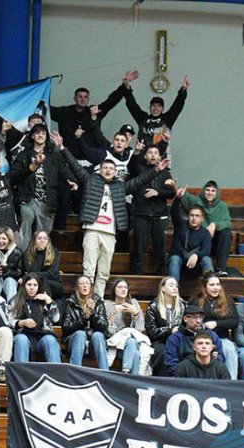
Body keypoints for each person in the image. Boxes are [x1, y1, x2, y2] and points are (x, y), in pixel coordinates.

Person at [53, 131, 170, 298]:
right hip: (92, 230)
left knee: (103, 273)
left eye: (111, 169)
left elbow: (139, 181)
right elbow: (75, 166)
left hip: (110, 233)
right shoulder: (90, 180)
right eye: (105, 168)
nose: (108, 171)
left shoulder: (120, 187)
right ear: (100, 170)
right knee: (89, 270)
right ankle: (85, 302)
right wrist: (62, 147)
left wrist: (157, 169)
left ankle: (97, 303)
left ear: (115, 172)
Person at [50, 73, 133, 228]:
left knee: (85, 196)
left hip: (89, 164)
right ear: (74, 98)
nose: (82, 99)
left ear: (88, 99)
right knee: (64, 195)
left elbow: (111, 101)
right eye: (80, 96)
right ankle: (60, 230)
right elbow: (45, 108)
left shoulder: (93, 111)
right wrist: (43, 88)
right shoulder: (63, 112)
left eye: (85, 97)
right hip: (68, 163)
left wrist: (125, 86)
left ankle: (83, 229)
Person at [8, 123, 73, 249]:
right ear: (32, 136)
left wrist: (72, 180)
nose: (40, 135)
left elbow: (64, 170)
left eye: (43, 133)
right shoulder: (23, 155)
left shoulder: (54, 155)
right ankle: (23, 255)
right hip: (28, 198)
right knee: (27, 217)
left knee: (43, 235)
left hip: (47, 201)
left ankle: (41, 260)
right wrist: (31, 167)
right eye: (37, 133)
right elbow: (12, 177)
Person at [129, 144, 176, 275]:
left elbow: (171, 193)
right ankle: (136, 277)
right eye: (150, 152)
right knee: (139, 249)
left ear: (160, 156)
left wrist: (158, 192)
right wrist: (136, 152)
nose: (153, 155)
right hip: (141, 214)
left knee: (160, 249)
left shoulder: (166, 172)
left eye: (156, 152)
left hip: (160, 215)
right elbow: (130, 168)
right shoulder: (139, 169)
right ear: (145, 156)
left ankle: (161, 278)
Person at [180, 180, 233, 276]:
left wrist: (214, 225)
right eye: (207, 190)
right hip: (200, 243)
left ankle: (221, 269)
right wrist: (174, 187)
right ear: (203, 191)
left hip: (215, 243)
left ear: (217, 193)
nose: (210, 193)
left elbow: (227, 222)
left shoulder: (222, 206)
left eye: (213, 190)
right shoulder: (197, 201)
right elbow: (185, 196)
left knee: (226, 232)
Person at [191, 275, 239, 379]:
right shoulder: (196, 300)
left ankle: (232, 382)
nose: (216, 287)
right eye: (212, 285)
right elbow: (189, 319)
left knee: (230, 350)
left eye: (218, 284)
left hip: (221, 338)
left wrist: (217, 324)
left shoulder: (227, 300)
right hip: (201, 337)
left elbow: (235, 321)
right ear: (205, 287)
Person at [123, 73, 190, 147]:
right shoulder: (143, 118)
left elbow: (177, 105)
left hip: (161, 157)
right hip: (143, 156)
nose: (156, 108)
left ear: (162, 109)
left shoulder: (167, 119)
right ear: (150, 107)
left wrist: (183, 90)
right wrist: (127, 86)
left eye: (159, 106)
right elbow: (131, 104)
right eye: (153, 106)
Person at [10, 274, 62, 364]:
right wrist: (21, 323)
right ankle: (20, 375)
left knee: (50, 340)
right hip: (23, 334)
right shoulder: (15, 300)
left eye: (35, 285)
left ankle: (56, 374)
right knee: (21, 340)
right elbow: (8, 321)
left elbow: (55, 319)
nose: (32, 288)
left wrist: (49, 302)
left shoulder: (44, 300)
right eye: (29, 284)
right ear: (23, 286)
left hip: (42, 336)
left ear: (39, 287)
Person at [164, 304, 226, 377]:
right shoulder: (175, 338)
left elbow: (221, 356)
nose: (199, 321)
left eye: (201, 317)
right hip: (184, 376)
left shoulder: (211, 335)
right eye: (195, 317)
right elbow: (171, 364)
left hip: (209, 374)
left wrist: (215, 358)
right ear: (185, 319)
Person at [61, 276, 109, 370]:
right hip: (74, 342)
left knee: (98, 335)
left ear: (91, 286)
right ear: (77, 287)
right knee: (80, 334)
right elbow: (66, 327)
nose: (84, 286)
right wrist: (84, 317)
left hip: (93, 343)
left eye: (87, 283)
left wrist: (93, 314)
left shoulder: (98, 302)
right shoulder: (70, 303)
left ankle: (105, 373)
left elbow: (104, 327)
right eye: (81, 283)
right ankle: (75, 373)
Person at [167, 190, 213, 281]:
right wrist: (178, 198)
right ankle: (173, 290)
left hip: (196, 266)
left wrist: (196, 255)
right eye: (192, 215)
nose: (194, 218)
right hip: (179, 264)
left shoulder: (205, 233)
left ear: (202, 219)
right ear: (188, 216)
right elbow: (174, 212)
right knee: (174, 259)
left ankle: (211, 285)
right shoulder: (181, 225)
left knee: (207, 259)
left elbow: (206, 251)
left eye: (197, 216)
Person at [104, 278, 146, 375]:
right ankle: (130, 378)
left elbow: (139, 329)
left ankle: (125, 371)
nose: (123, 290)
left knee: (131, 342)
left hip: (131, 341)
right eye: (120, 287)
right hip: (116, 344)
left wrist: (135, 313)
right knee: (135, 354)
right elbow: (109, 332)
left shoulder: (133, 303)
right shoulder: (108, 305)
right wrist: (113, 313)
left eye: (125, 287)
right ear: (114, 289)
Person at [144, 276, 185, 376]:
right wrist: (170, 331)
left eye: (176, 286)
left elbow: (186, 325)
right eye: (171, 285)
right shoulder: (154, 305)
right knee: (162, 352)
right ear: (163, 288)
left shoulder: (183, 305)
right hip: (160, 341)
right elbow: (151, 331)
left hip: (179, 339)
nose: (175, 288)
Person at [21, 230, 63, 300]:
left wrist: (35, 275)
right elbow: (31, 272)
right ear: (34, 240)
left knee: (43, 282)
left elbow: (52, 273)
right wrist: (36, 254)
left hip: (54, 284)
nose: (42, 241)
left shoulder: (54, 252)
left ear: (48, 240)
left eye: (45, 238)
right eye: (39, 238)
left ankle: (46, 306)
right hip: (35, 283)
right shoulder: (28, 253)